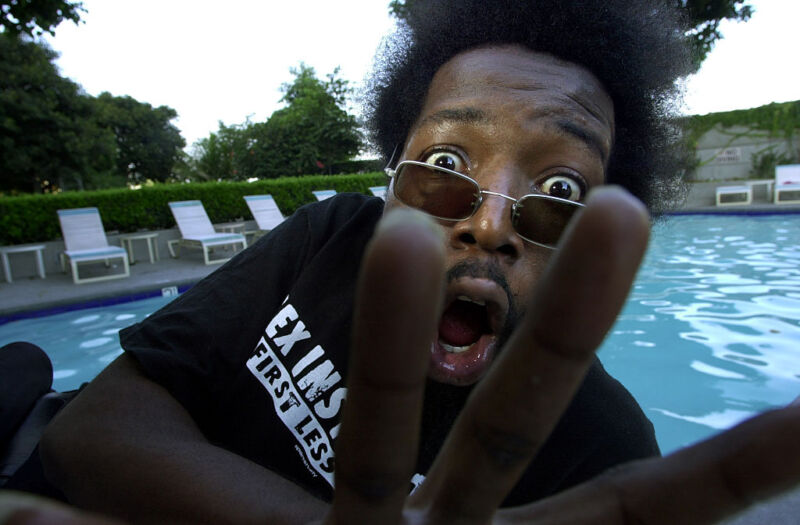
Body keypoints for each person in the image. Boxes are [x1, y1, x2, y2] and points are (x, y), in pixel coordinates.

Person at [9, 0, 798, 523]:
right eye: (445, 166)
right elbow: (93, 430)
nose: (490, 223)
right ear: (391, 184)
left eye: (559, 188)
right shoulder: (331, 239)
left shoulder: (599, 447)